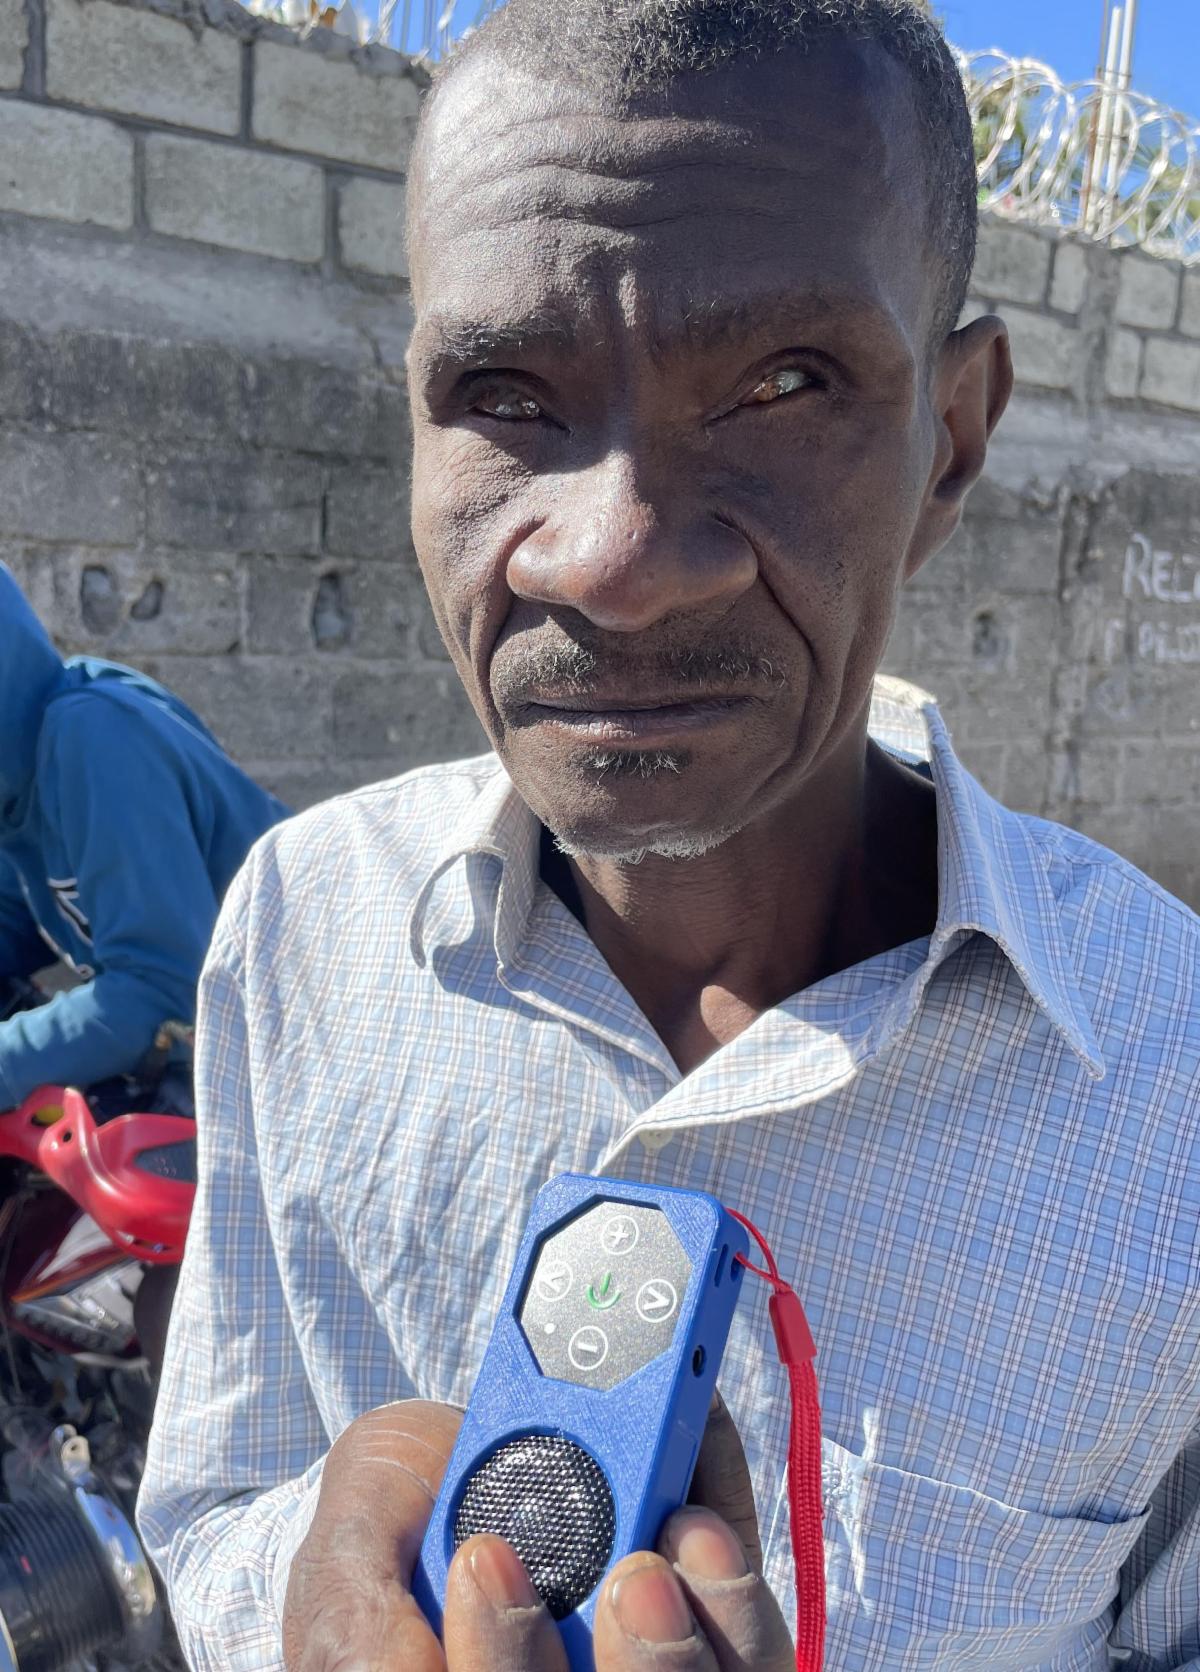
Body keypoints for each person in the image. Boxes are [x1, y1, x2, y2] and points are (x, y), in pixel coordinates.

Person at [138, 1, 1200, 1667]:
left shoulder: (1169, 1069)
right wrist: (304, 1577)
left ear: (955, 436)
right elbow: (212, 1500)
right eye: (503, 390)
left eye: (782, 385)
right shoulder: (303, 926)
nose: (613, 557)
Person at [0, 564, 288, 1110]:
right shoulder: (17, 788)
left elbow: (164, 994)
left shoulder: (92, 739)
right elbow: (14, 924)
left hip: (308, 1045)